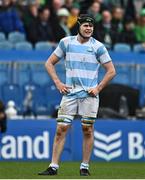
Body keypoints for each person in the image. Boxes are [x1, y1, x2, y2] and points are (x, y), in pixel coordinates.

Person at [38, 14, 116, 176]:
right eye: (86, 26)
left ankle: (84, 166)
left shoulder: (98, 47)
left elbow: (111, 71)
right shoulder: (66, 43)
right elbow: (49, 63)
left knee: (87, 129)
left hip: (89, 95)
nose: (89, 29)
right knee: (61, 129)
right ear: (78, 26)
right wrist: (58, 83)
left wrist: (98, 88)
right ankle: (53, 166)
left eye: (91, 26)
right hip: (70, 94)